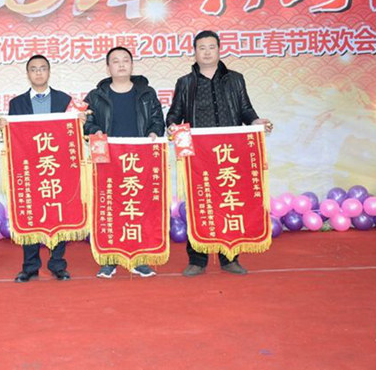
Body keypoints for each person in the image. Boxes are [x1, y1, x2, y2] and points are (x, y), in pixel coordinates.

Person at [166, 30, 273, 277]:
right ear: (194, 52)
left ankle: (230, 257)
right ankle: (197, 259)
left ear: (219, 49)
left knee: (230, 202)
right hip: (199, 156)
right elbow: (174, 114)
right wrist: (171, 125)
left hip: (229, 154)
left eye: (211, 47)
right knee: (199, 204)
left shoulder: (235, 79)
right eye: (201, 48)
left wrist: (256, 121)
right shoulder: (185, 83)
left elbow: (246, 110)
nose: (206, 52)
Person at [84, 46, 165, 279]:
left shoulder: (146, 93)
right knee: (109, 208)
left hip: (139, 160)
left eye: (125, 60)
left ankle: (139, 259)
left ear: (132, 64)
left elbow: (157, 120)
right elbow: (86, 123)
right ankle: (109, 259)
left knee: (139, 207)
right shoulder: (96, 96)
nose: (121, 64)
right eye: (115, 61)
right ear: (108, 67)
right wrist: (96, 130)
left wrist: (154, 132)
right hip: (107, 160)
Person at [4, 54, 75, 283]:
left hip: (57, 168)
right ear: (28, 74)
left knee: (58, 214)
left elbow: (71, 134)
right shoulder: (17, 104)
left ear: (49, 72)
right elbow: (14, 138)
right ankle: (30, 266)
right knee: (30, 214)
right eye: (33, 69)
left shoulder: (65, 100)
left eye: (42, 68)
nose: (38, 73)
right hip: (30, 169)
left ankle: (58, 264)